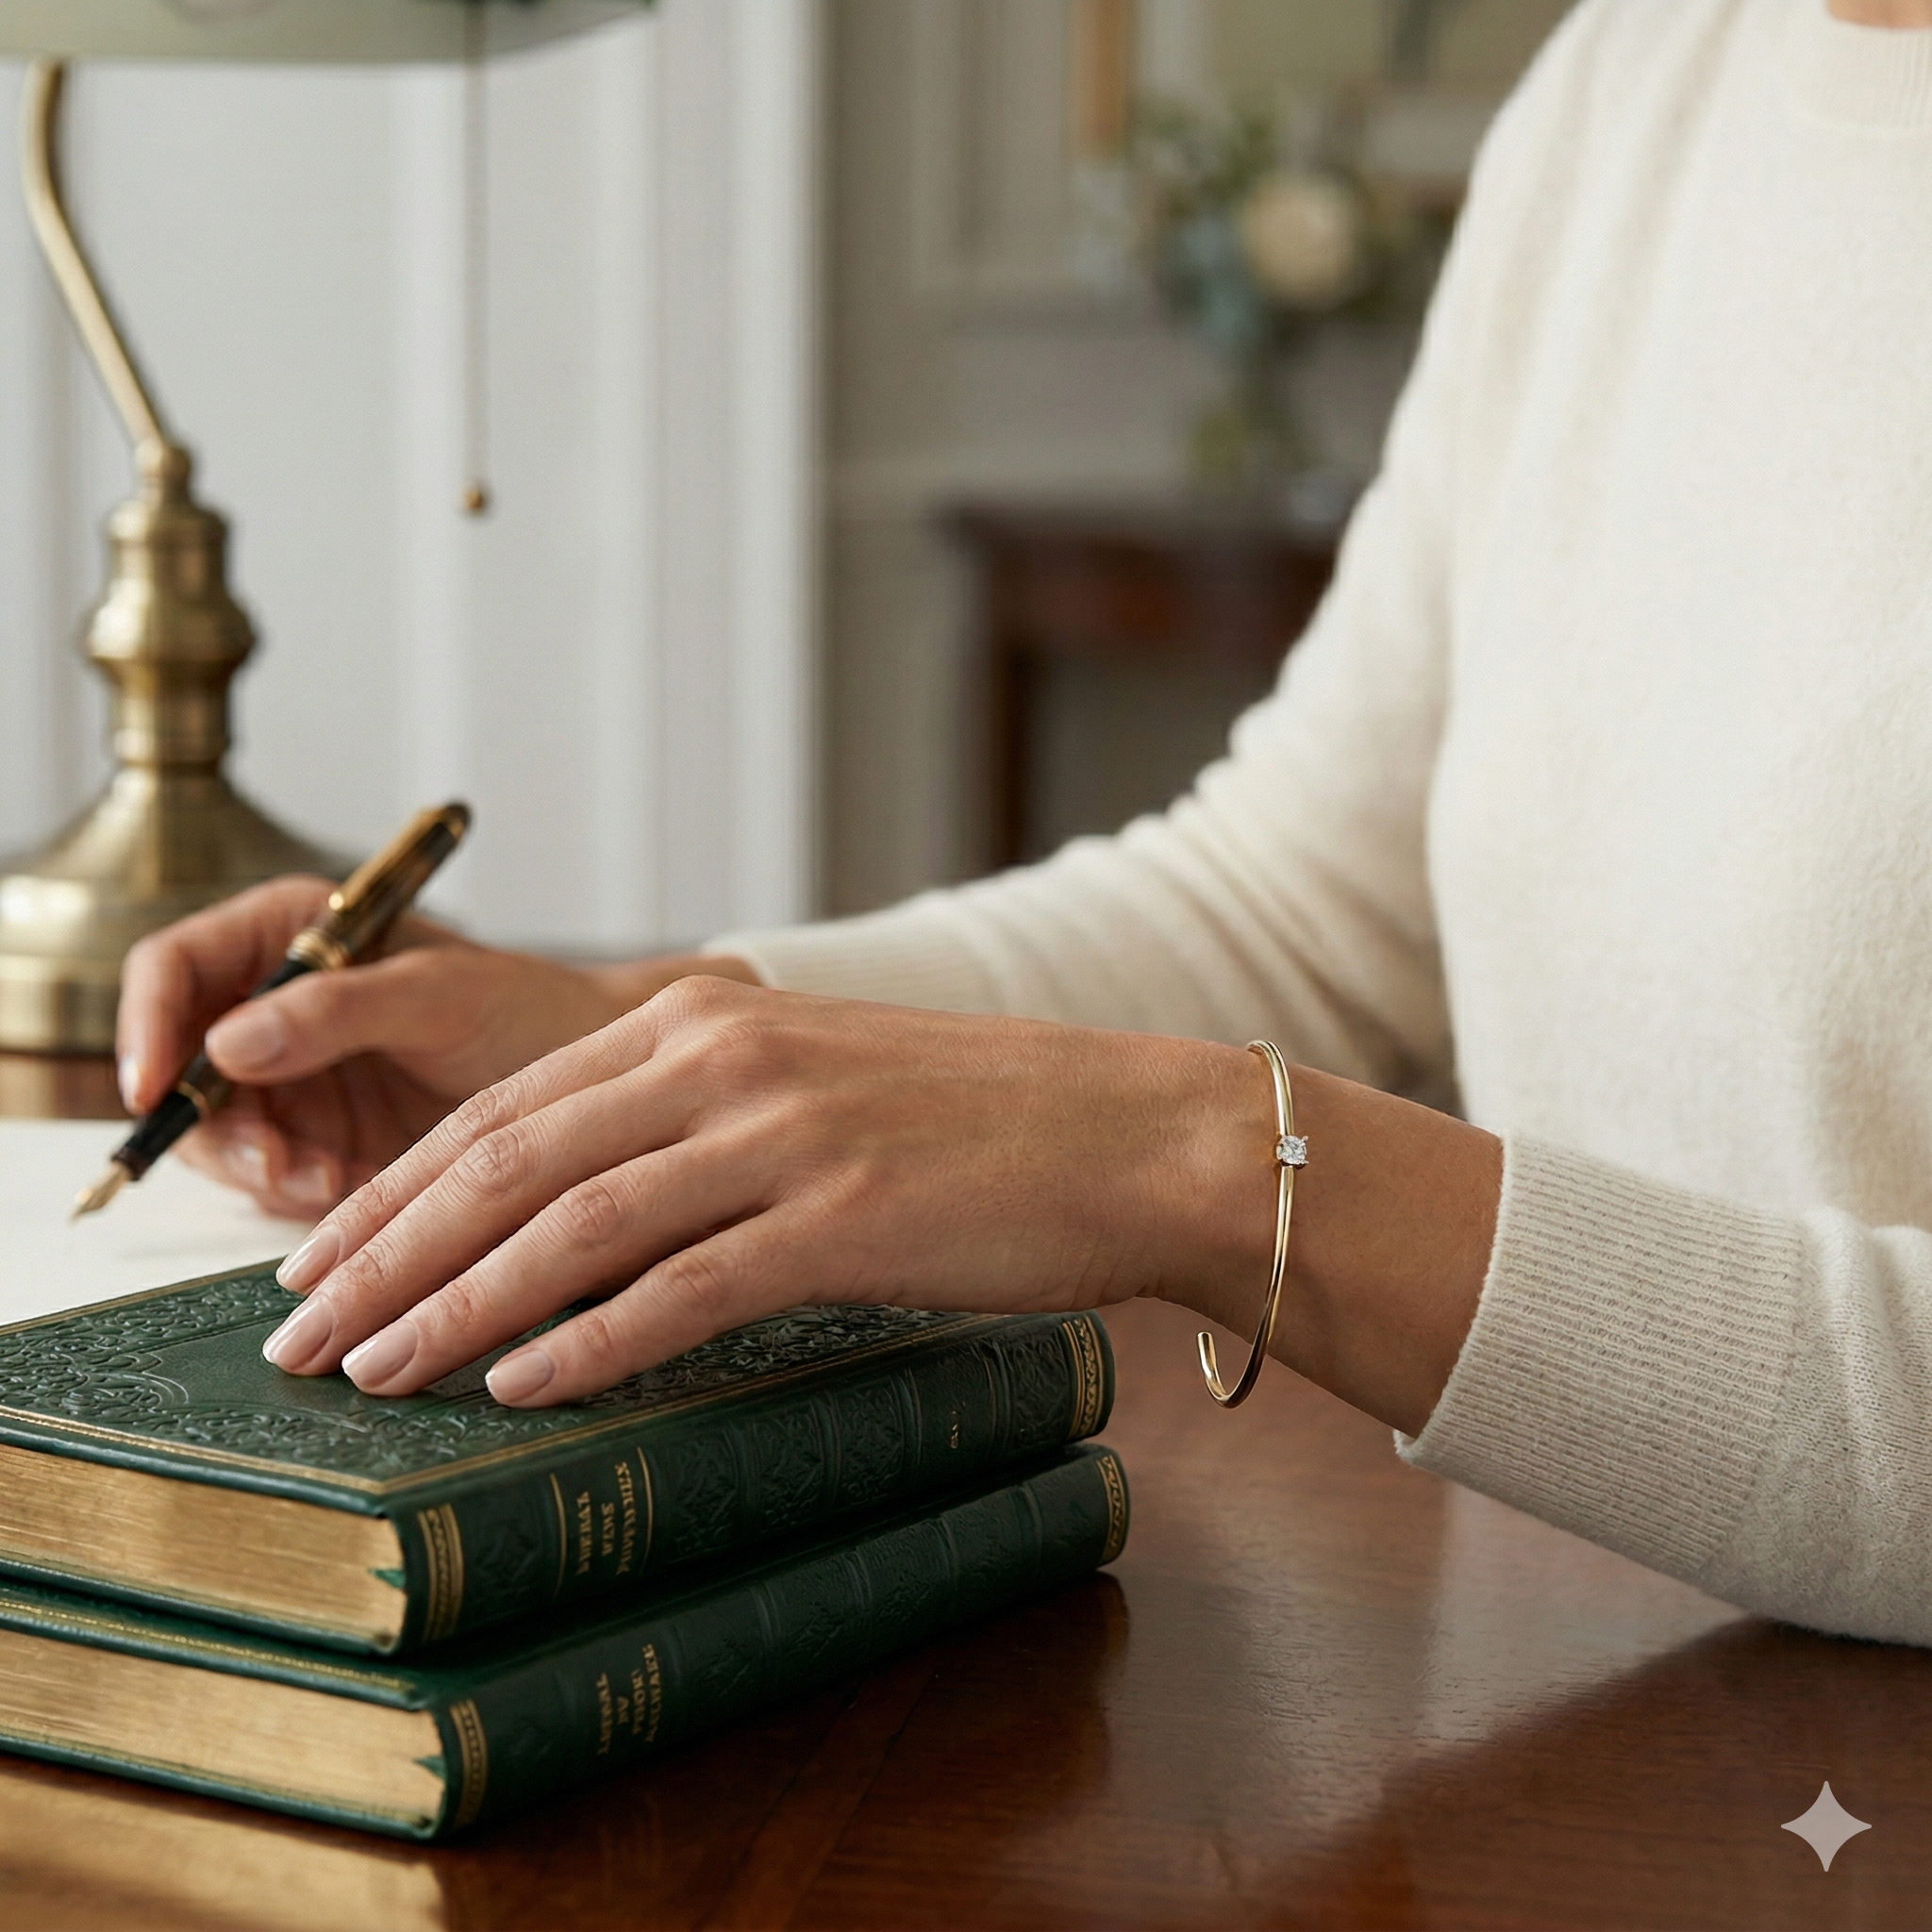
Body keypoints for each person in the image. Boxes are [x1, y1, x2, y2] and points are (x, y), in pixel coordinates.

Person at [116, 0, 1932, 1646]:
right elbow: (1303, 903)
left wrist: (1211, 1166)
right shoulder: (1642, 75)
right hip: (1585, 1683)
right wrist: (633, 1050)